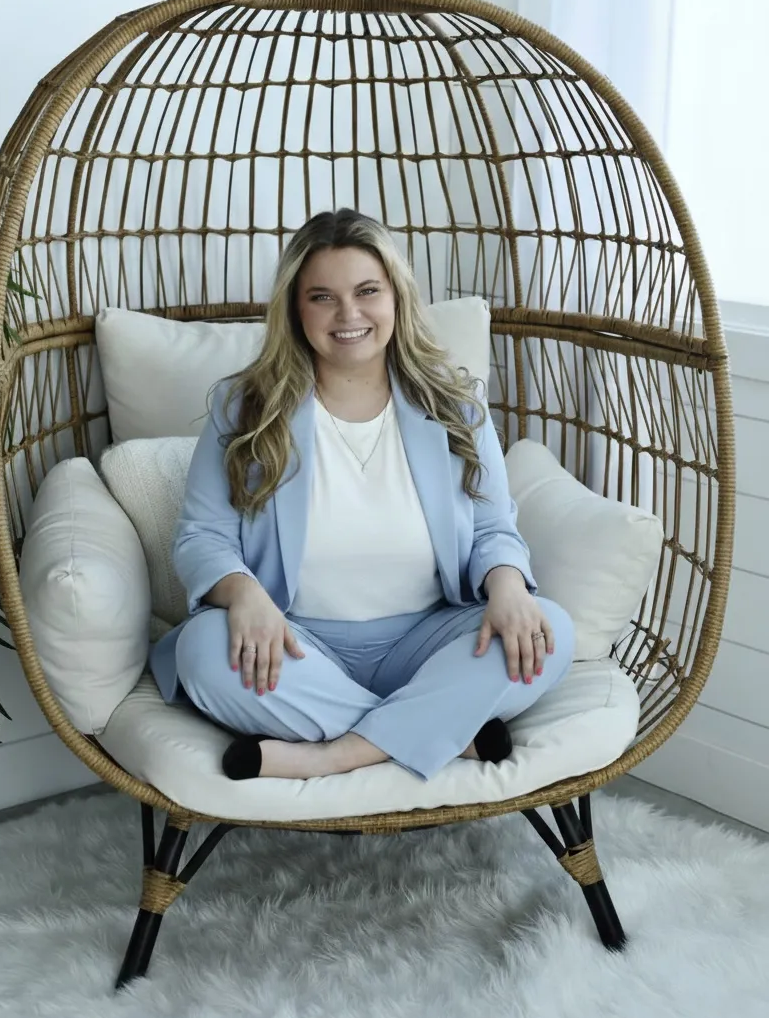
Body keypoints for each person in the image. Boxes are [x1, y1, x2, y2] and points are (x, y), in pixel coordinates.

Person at [149, 208, 574, 782]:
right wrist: (244, 594)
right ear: (296, 310)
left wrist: (507, 587)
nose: (349, 314)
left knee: (549, 629)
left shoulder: (457, 409)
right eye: (322, 297)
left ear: (396, 297)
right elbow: (203, 536)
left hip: (430, 636)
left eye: (367, 291)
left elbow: (495, 528)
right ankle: (440, 730)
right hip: (295, 641)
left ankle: (335, 753)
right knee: (201, 650)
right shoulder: (242, 407)